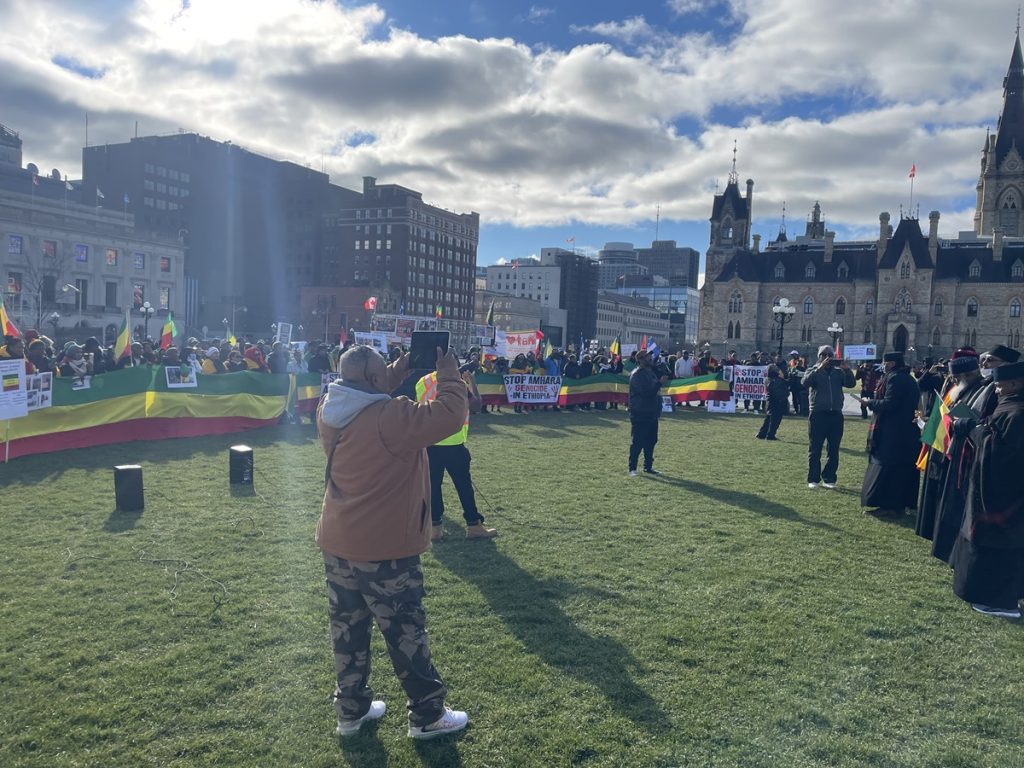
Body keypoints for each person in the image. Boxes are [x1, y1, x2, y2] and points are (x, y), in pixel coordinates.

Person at [317, 344, 470, 739]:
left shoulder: (330, 409)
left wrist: (395, 371)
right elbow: (450, 415)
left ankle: (351, 712)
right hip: (384, 549)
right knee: (406, 631)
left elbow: (368, 393)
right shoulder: (390, 416)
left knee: (347, 632)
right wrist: (449, 373)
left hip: (338, 540)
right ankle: (427, 715)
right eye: (382, 369)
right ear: (372, 379)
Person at [949, 361, 1024, 618]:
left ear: (1016, 384)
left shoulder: (1019, 412)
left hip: (1005, 495)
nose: (998, 390)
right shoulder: (1011, 405)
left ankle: (1002, 603)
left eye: (1001, 385)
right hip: (992, 487)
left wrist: (974, 429)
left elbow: (1001, 451)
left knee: (1000, 544)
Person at [416, 365, 498, 541]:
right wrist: (472, 382)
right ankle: (474, 525)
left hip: (429, 443)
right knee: (464, 487)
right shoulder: (457, 383)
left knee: (432, 487)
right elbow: (476, 406)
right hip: (453, 443)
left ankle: (435, 527)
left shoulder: (423, 381)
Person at [918, 349, 985, 561]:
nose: (954, 381)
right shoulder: (959, 389)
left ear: (968, 375)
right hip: (948, 448)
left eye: (957, 377)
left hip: (963, 452)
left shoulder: (980, 390)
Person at [857, 352, 921, 517]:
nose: (883, 366)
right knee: (901, 468)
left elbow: (890, 403)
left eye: (885, 363)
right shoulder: (908, 378)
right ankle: (901, 503)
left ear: (891, 364)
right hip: (905, 431)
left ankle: (888, 505)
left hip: (893, 431)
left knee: (888, 467)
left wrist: (869, 402)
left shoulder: (895, 378)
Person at [802, 345, 856, 489]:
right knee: (815, 448)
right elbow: (805, 382)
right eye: (823, 354)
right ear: (819, 356)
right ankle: (813, 478)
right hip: (818, 414)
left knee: (833, 448)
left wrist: (846, 368)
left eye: (829, 355)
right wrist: (819, 368)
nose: (826, 357)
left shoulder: (838, 372)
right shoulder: (813, 370)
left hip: (835, 415)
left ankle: (829, 478)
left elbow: (851, 384)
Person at [627, 350, 667, 476]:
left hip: (651, 412)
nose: (650, 358)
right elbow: (646, 393)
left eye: (650, 356)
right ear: (640, 359)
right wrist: (659, 383)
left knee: (651, 440)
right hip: (640, 412)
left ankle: (648, 466)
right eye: (647, 357)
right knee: (638, 441)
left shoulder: (650, 373)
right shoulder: (637, 375)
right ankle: (632, 468)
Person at [756, 365, 789, 440]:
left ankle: (762, 434)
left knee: (768, 419)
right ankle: (770, 435)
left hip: (771, 401)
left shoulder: (769, 379)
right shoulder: (775, 380)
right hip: (776, 402)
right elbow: (784, 384)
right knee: (775, 420)